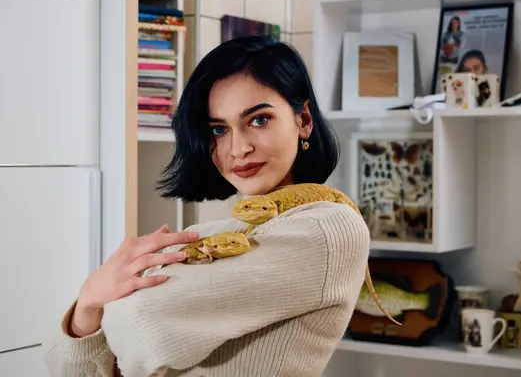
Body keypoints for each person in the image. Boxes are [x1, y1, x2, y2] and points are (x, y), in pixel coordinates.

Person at [41, 35, 371, 377]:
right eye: (218, 129)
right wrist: (90, 302)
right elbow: (69, 369)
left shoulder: (329, 228)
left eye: (259, 120)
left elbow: (147, 329)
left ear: (303, 120)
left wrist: (105, 307)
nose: (237, 148)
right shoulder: (208, 234)